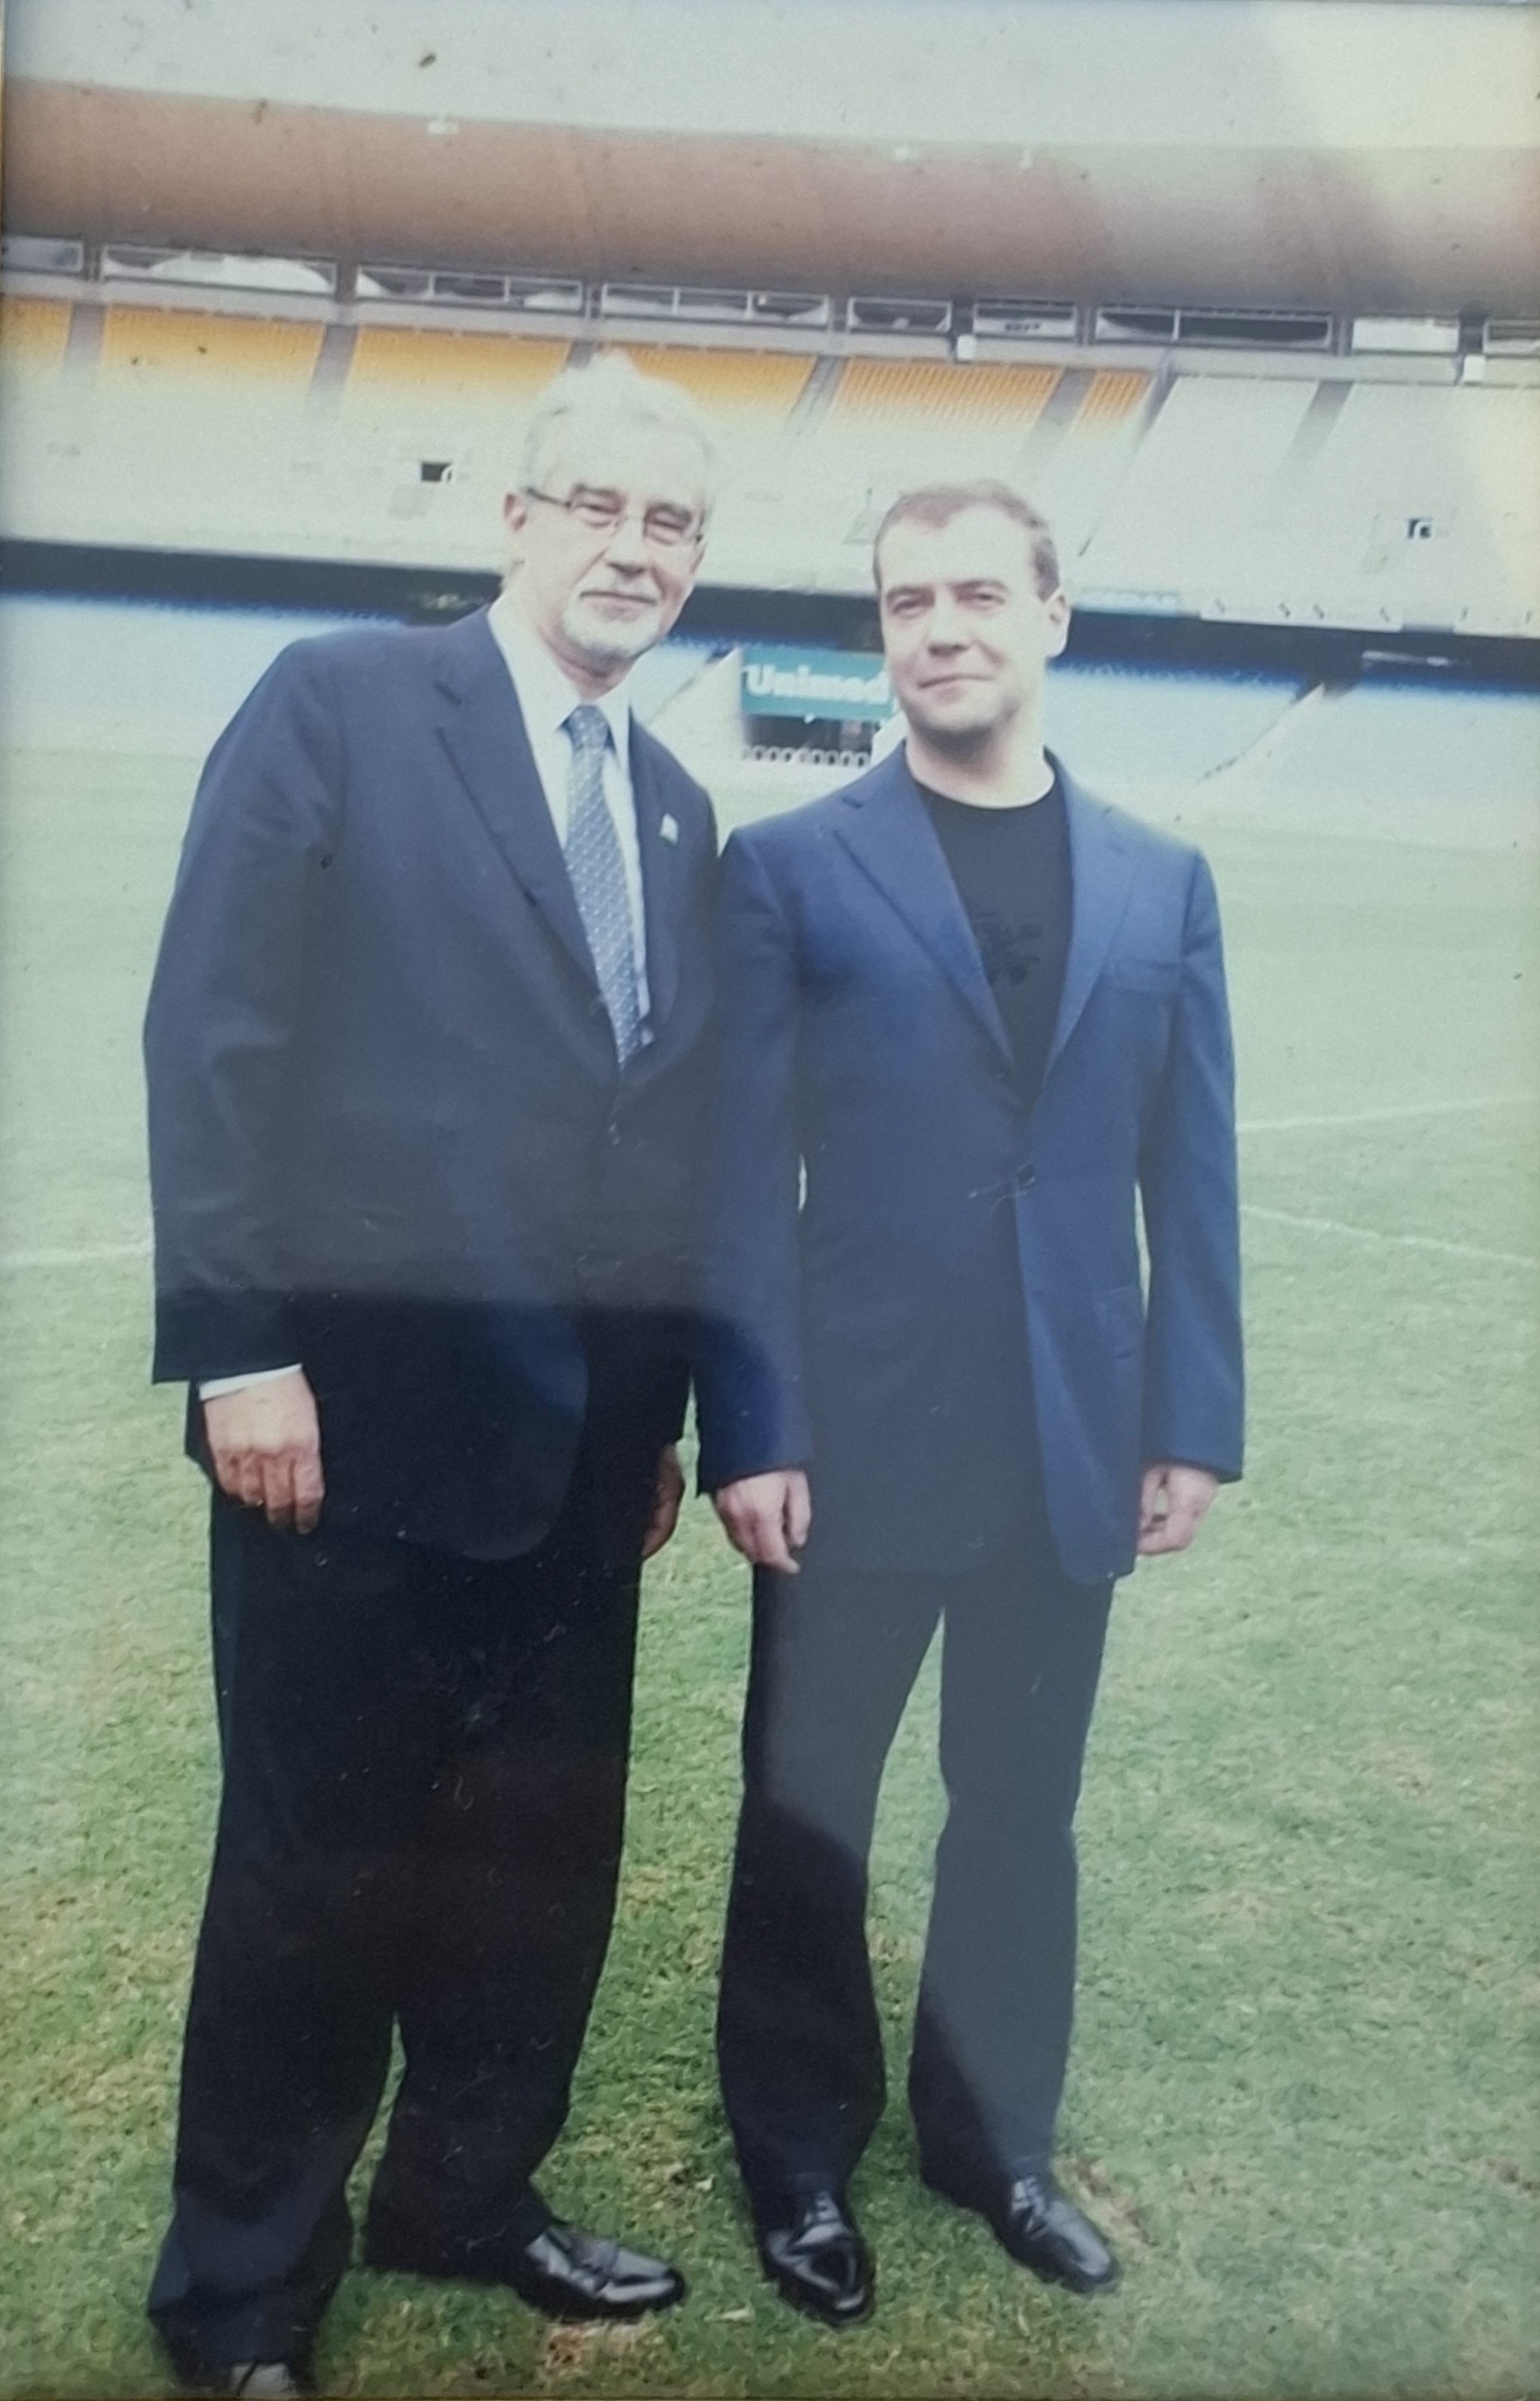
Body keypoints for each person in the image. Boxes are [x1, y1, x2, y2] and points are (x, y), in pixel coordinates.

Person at [142, 355, 720, 2396]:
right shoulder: (342, 704)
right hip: (350, 1436)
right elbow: (215, 1035)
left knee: (529, 1870)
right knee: (315, 1876)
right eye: (601, 508)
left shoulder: (673, 801)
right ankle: (238, 2293)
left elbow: (659, 1140)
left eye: (673, 523)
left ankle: (468, 2197)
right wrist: (238, 1351)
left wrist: (655, 1428)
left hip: (580, 1476)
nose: (635, 549)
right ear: (518, 518)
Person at [696, 481, 1243, 2327]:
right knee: (812, 1814)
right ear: (881, 636)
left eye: (975, 592)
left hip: (1067, 1438)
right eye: (905, 599)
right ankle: (795, 2152)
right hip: (850, 1441)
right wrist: (753, 1423)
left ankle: (991, 2137)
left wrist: (1196, 1415)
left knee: (1021, 1807)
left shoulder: (1167, 881)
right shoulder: (788, 866)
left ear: (1053, 614)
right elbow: (730, 1182)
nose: (939, 625)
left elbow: (1199, 1176)